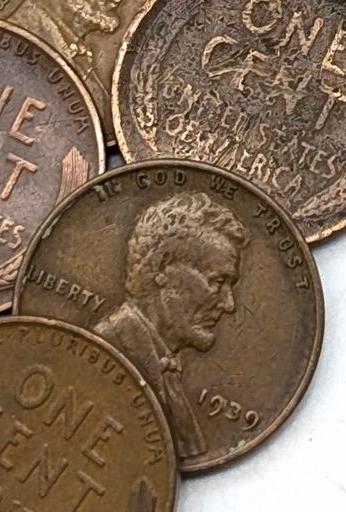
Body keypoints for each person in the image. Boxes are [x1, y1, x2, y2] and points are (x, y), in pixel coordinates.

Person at [95, 190, 246, 460]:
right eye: (216, 282)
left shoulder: (166, 367)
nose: (228, 304)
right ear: (162, 269)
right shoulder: (99, 356)